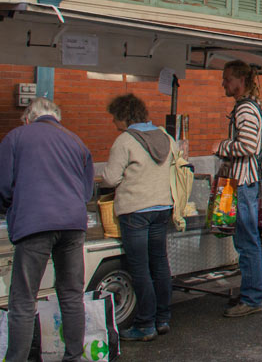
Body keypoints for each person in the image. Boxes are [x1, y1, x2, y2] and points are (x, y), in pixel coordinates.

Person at [0, 98, 94, 362]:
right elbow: (86, 190)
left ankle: (17, 359)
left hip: (35, 224)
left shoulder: (17, 137)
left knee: (24, 300)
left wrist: (7, 209)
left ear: (29, 117)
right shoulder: (76, 141)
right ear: (57, 118)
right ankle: (74, 357)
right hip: (73, 224)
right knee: (72, 294)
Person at [101, 94, 176, 342]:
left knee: (140, 268)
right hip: (162, 206)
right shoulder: (165, 137)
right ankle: (163, 318)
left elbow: (111, 179)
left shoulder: (125, 141)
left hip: (135, 211)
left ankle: (145, 324)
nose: (113, 123)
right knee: (160, 264)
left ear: (124, 116)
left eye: (115, 118)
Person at [213, 60, 262, 317]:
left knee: (246, 242)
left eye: (227, 78)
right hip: (243, 183)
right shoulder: (251, 106)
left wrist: (221, 147)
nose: (223, 83)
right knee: (245, 241)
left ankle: (252, 298)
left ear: (240, 81)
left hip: (243, 183)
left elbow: (248, 146)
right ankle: (250, 294)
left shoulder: (245, 109)